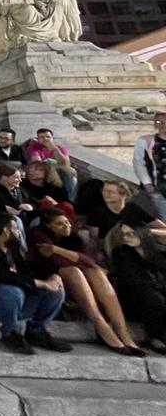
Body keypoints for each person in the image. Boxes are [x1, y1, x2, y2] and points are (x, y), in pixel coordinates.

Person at [30, 208, 144, 356]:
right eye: (59, 224)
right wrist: (72, 257)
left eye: (67, 222)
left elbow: (90, 261)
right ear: (48, 226)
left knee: (95, 271)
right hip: (51, 276)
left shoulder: (73, 237)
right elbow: (56, 262)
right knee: (74, 271)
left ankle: (122, 331)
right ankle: (102, 327)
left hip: (79, 275)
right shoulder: (38, 234)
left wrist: (57, 249)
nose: (66, 227)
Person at [0, 212, 72, 355]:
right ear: (6, 230)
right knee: (11, 290)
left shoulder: (12, 248)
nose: (19, 232)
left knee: (56, 289)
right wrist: (43, 283)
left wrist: (53, 276)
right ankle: (10, 332)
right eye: (16, 228)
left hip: (19, 302)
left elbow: (25, 271)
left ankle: (36, 330)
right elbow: (4, 276)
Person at [109, 223, 166, 355]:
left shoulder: (156, 253)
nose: (127, 238)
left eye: (131, 234)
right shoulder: (121, 252)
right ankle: (154, 337)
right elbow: (134, 281)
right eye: (124, 235)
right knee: (154, 298)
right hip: (134, 298)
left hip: (156, 291)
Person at [0, 164, 35, 251]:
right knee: (16, 221)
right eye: (16, 177)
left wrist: (30, 206)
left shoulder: (20, 190)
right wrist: (6, 208)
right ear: (4, 178)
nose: (20, 180)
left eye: (20, 177)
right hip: (2, 218)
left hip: (23, 217)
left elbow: (33, 202)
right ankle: (24, 250)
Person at [25, 129, 77, 201]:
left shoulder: (60, 148)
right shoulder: (34, 148)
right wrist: (58, 165)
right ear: (38, 139)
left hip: (58, 171)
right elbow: (38, 164)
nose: (45, 139)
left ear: (53, 138)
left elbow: (66, 164)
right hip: (44, 173)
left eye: (48, 137)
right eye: (42, 137)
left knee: (70, 172)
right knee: (66, 171)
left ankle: (71, 200)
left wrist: (54, 149)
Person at [132, 111, 166, 219]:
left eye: (164, 122)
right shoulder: (145, 141)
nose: (162, 124)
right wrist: (147, 182)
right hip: (157, 186)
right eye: (158, 122)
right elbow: (139, 162)